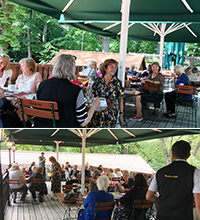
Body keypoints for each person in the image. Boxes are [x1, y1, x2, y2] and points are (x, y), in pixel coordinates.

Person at [35, 54, 100, 128]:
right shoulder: (76, 90)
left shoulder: (43, 84)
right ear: (72, 69)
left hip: (41, 127)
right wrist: (94, 106)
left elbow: (33, 107)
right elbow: (83, 122)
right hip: (66, 131)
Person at [146, 140, 200, 220]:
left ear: (172, 155)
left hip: (162, 215)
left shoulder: (160, 172)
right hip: (184, 216)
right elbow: (198, 204)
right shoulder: (195, 172)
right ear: (188, 155)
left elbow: (149, 196)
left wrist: (161, 201)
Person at [89, 58, 124, 128]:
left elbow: (120, 99)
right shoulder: (97, 81)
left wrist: (121, 114)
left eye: (115, 67)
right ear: (105, 68)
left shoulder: (117, 82)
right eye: (112, 67)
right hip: (97, 110)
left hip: (110, 112)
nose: (114, 69)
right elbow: (92, 96)